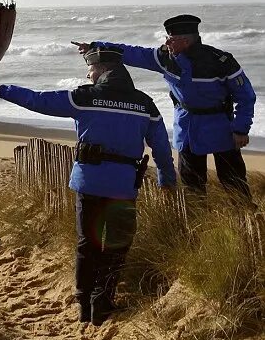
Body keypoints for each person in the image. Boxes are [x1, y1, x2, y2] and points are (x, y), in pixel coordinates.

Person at [0, 45, 177, 325]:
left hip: (90, 182)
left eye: (91, 69)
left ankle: (84, 304)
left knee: (88, 244)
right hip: (123, 186)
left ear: (103, 70)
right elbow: (160, 146)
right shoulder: (145, 104)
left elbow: (40, 101)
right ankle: (103, 302)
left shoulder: (85, 98)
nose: (88, 74)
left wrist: (4, 89)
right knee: (117, 246)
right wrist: (167, 180)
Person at [75, 14, 256, 200]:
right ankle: (196, 224)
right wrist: (95, 46)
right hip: (186, 130)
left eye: (171, 39)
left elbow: (246, 96)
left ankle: (245, 219)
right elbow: (132, 53)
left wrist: (241, 129)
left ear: (185, 41)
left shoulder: (221, 62)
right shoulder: (164, 58)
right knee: (192, 186)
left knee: (234, 182)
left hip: (220, 127)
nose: (166, 42)